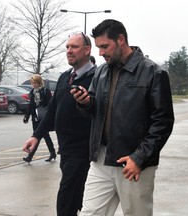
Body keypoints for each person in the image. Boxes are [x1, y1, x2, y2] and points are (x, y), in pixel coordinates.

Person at [71, 19, 175, 216]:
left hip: (133, 162)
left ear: (121, 40)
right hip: (100, 159)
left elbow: (163, 123)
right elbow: (94, 109)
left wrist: (139, 157)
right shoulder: (101, 71)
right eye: (98, 47)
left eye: (104, 46)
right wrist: (85, 102)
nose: (100, 53)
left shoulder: (153, 72)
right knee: (89, 213)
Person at [22, 32, 95, 216]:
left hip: (84, 151)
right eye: (67, 47)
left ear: (87, 50)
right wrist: (36, 136)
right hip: (66, 149)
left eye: (74, 47)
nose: (69, 51)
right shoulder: (65, 77)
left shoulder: (98, 77)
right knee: (78, 199)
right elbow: (52, 112)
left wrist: (87, 102)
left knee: (66, 202)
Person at [23, 74, 56, 163]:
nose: (33, 85)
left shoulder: (45, 91)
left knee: (37, 136)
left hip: (43, 117)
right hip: (35, 118)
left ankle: (30, 156)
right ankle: (52, 153)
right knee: (43, 136)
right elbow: (31, 105)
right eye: (32, 83)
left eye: (35, 83)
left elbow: (50, 105)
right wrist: (27, 116)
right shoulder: (32, 92)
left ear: (39, 82)